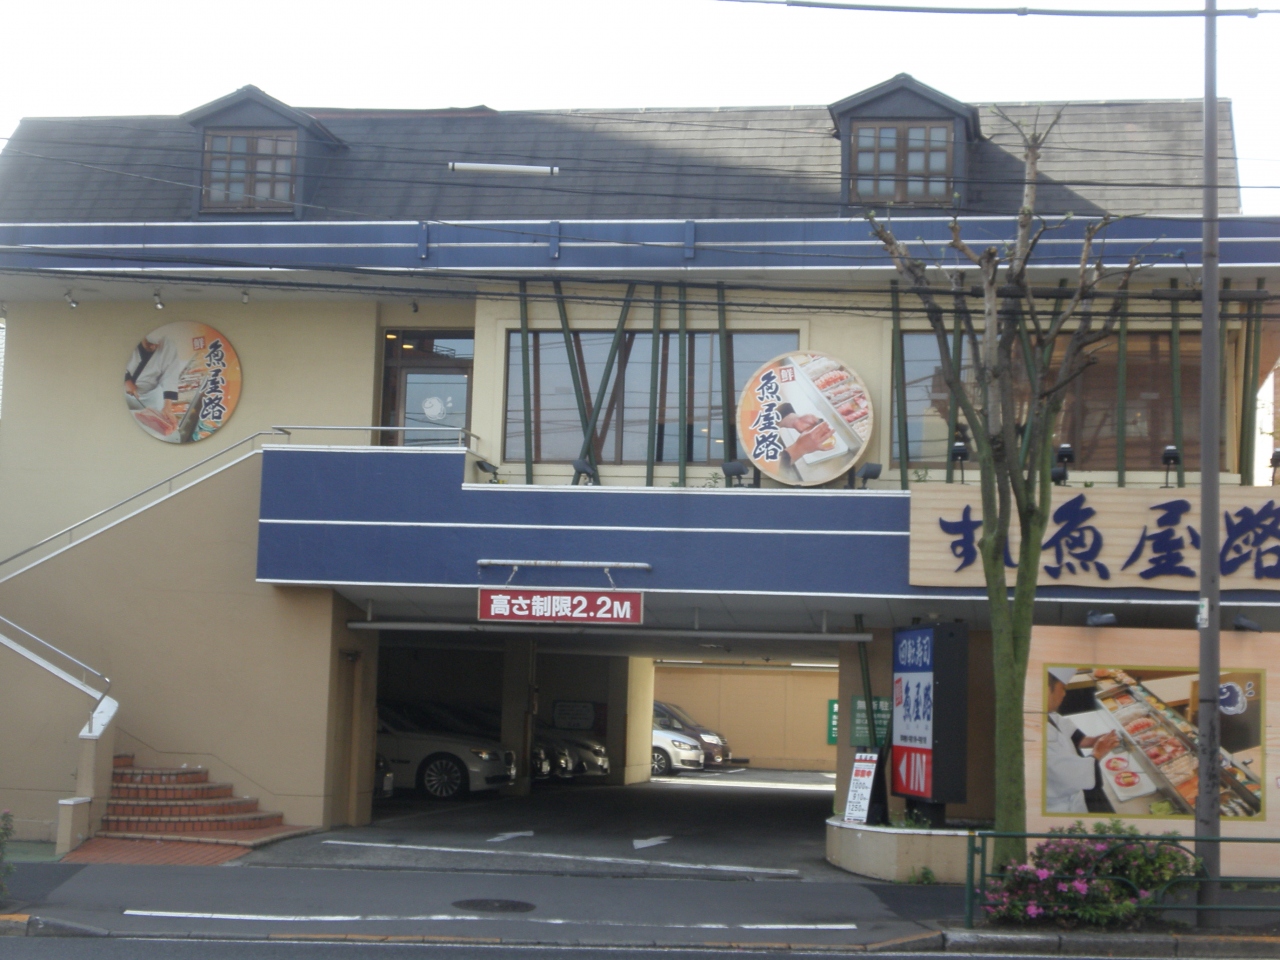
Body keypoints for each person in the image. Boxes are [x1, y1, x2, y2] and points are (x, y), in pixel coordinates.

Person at [1044, 666, 1119, 814]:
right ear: (1046, 690)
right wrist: (1097, 753)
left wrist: (1091, 741)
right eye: (1062, 688)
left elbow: (1063, 728)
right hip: (1060, 807)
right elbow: (1070, 775)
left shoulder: (1045, 713)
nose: (1064, 694)